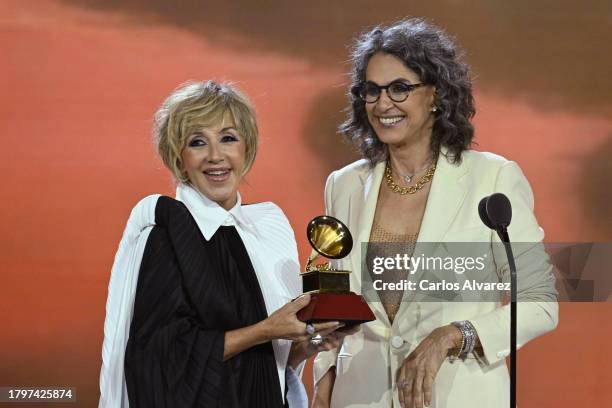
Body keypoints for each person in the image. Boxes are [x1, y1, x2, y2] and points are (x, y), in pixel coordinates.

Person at [312, 19, 558, 408]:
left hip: (457, 395)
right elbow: (332, 295)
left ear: (437, 95)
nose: (383, 103)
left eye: (400, 88)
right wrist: (324, 380)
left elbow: (540, 302)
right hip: (359, 396)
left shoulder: (492, 178)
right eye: (371, 90)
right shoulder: (344, 186)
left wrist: (454, 335)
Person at [98, 81, 354, 408]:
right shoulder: (166, 235)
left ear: (246, 147)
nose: (216, 156)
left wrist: (311, 343)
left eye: (228, 138)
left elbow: (271, 366)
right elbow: (159, 361)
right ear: (179, 157)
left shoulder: (268, 231)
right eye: (197, 142)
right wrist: (265, 330)